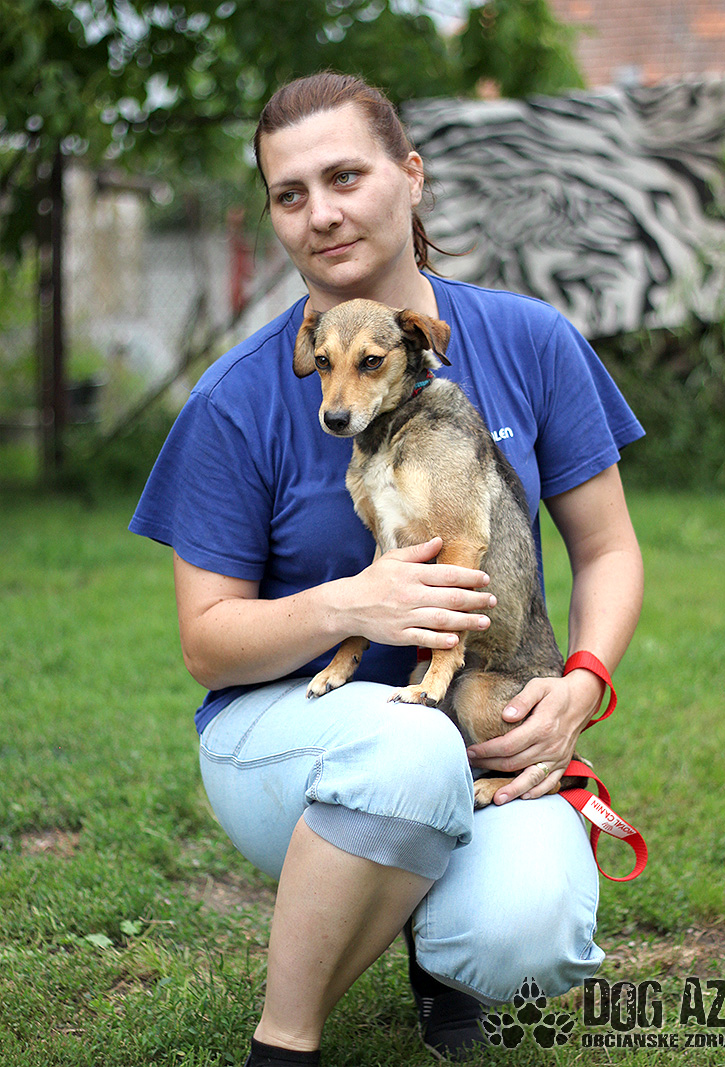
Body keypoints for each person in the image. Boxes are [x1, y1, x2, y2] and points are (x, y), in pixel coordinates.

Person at [130, 71, 644, 1067]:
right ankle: (285, 1040)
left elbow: (608, 548)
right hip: (288, 736)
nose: (320, 212)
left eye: (345, 176)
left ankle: (442, 947)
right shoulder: (235, 398)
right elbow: (207, 643)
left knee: (528, 936)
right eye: (289, 193)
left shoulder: (530, 340)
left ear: (410, 176)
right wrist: (350, 603)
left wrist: (581, 684)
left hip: (467, 723)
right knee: (405, 750)